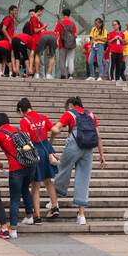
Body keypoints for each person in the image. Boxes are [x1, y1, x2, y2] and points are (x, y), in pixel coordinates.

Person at [51, 96, 105, 225]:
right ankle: (81, 216)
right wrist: (101, 155)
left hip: (73, 146)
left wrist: (50, 143)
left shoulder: (69, 113)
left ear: (70, 105)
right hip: (88, 149)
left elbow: (56, 128)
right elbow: (98, 136)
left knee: (62, 172)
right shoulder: (91, 115)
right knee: (83, 179)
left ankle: (54, 202)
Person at [0, 111, 35, 237]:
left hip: (16, 168)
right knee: (25, 189)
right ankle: (30, 216)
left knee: (15, 198)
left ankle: (13, 229)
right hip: (30, 165)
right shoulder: (16, 129)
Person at [19, 98, 57, 220]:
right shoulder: (43, 117)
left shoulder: (24, 121)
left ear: (21, 110)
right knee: (48, 180)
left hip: (35, 151)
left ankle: (37, 216)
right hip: (46, 148)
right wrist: (49, 142)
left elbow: (27, 140)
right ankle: (55, 207)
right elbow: (55, 130)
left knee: (35, 184)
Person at [0, 5, 19, 78]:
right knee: (9, 57)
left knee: (7, 57)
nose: (16, 12)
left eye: (16, 11)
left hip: (9, 41)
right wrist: (10, 39)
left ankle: (9, 72)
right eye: (15, 11)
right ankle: (13, 71)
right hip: (6, 42)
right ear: (10, 11)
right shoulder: (8, 19)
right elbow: (3, 29)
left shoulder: (12, 19)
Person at [54, 9, 78, 79]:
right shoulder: (72, 23)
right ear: (69, 15)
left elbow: (56, 33)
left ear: (62, 14)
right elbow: (75, 35)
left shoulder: (60, 23)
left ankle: (63, 75)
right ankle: (70, 75)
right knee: (70, 59)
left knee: (62, 60)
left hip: (62, 44)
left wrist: (57, 41)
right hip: (71, 45)